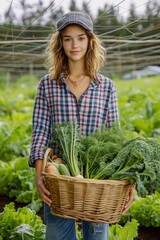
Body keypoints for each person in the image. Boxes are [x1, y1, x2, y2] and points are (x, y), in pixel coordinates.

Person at [29, 11, 135, 240]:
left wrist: (128, 182)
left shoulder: (106, 86)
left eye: (80, 38)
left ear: (90, 41)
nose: (74, 44)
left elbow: (114, 136)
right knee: (57, 235)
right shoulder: (47, 85)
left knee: (97, 236)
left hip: (97, 179)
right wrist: (39, 175)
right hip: (59, 176)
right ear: (60, 43)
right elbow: (40, 131)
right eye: (67, 38)